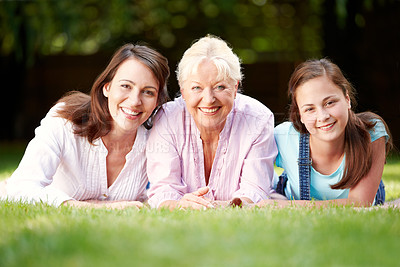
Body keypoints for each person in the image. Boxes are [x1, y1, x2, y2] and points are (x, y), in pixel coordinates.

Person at [1, 43, 170, 209]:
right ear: (107, 88)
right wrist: (90, 207)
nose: (135, 101)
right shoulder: (65, 121)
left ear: (157, 100)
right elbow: (21, 188)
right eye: (126, 86)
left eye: (148, 92)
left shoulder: (159, 137)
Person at [146, 35, 277, 210]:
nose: (208, 100)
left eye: (220, 87)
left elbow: (255, 190)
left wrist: (223, 206)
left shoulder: (258, 119)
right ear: (183, 91)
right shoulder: (167, 118)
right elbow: (163, 189)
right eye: (196, 88)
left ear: (235, 87)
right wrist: (178, 205)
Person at [258, 58, 392, 208]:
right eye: (309, 109)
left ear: (347, 99)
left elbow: (360, 203)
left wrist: (285, 206)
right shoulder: (283, 137)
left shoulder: (371, 132)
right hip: (289, 195)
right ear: (300, 115)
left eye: (330, 103)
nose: (323, 116)